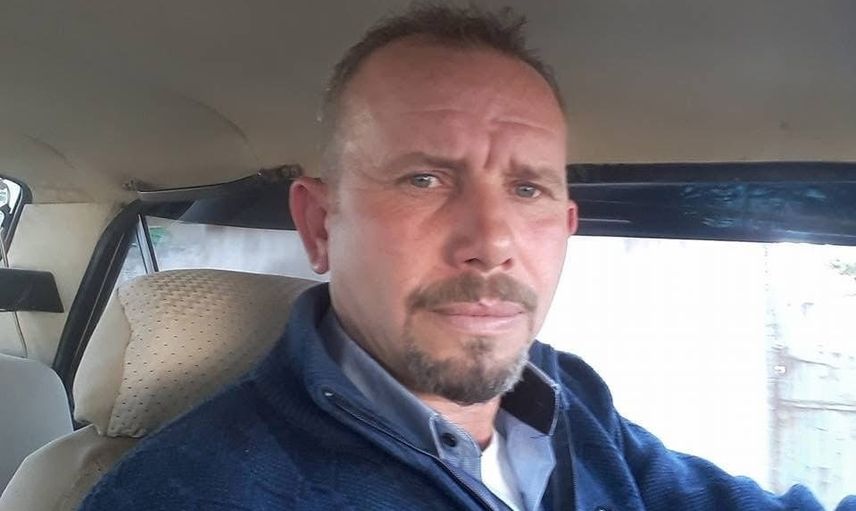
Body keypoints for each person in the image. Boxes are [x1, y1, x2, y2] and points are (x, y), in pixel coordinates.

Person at [81, 5, 854, 511]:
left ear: (567, 228)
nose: (492, 239)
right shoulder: (190, 491)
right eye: (425, 178)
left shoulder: (569, 403)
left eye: (528, 189)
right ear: (320, 225)